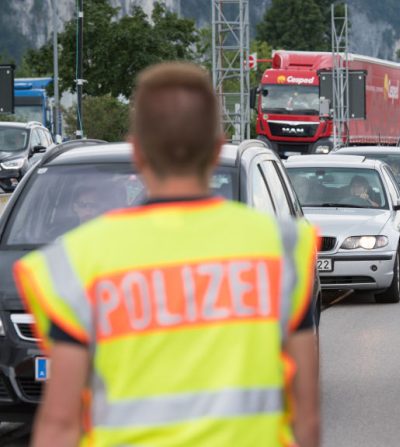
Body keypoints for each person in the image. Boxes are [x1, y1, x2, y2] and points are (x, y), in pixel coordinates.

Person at [14, 62, 321, 447]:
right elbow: (305, 417)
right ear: (215, 150)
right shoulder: (281, 250)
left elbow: (60, 424)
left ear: (139, 152)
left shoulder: (80, 262)